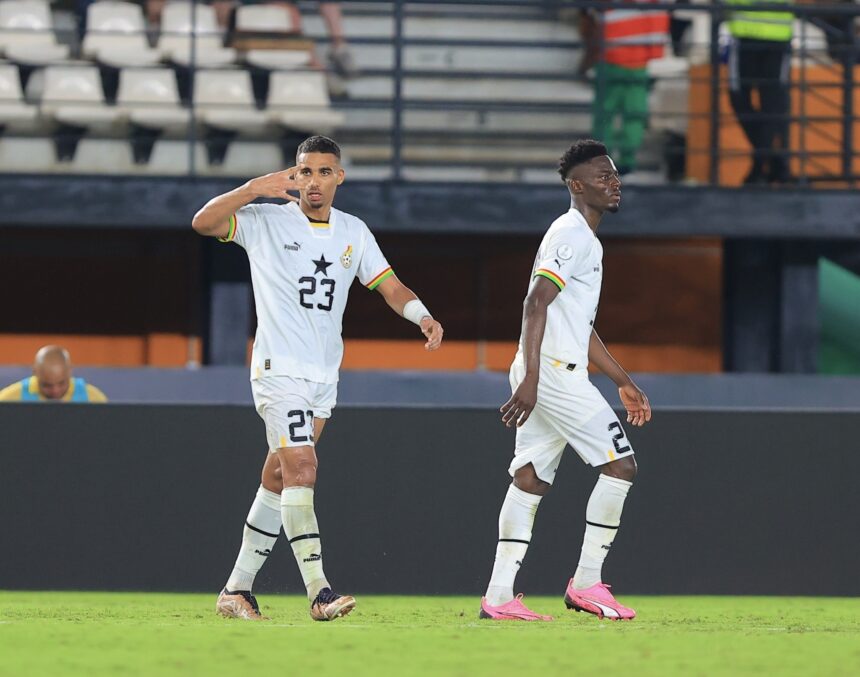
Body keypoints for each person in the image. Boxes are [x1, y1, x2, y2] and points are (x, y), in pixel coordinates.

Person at [191, 135, 444, 622]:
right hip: (278, 370)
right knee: (303, 469)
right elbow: (203, 223)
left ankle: (236, 590)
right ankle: (320, 592)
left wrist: (422, 316)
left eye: (325, 172)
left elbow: (389, 285)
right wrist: (253, 188)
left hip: (323, 375)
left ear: (339, 178)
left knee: (279, 475)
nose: (314, 181)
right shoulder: (266, 221)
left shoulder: (354, 231)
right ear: (294, 174)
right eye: (305, 172)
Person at [479, 139, 651, 622]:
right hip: (552, 374)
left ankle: (498, 596)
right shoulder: (572, 234)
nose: (613, 184)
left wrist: (622, 379)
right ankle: (587, 583)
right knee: (621, 466)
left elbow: (576, 323)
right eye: (602, 177)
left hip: (552, 368)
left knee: (530, 479)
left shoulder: (583, 238)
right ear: (577, 185)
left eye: (615, 176)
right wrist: (531, 377)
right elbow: (536, 301)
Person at [579, 0, 670, 175]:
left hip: (610, 56)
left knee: (605, 112)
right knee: (634, 113)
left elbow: (593, 13)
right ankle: (627, 159)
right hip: (638, 61)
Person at [725, 0, 795, 185]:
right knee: (741, 98)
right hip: (749, 34)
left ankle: (761, 165)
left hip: (772, 36)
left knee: (771, 105)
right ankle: (773, 160)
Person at [0, 345, 107, 403]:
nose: (55, 391)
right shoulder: (8, 400)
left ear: (70, 371)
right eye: (47, 385)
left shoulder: (93, 399)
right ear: (35, 373)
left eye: (61, 383)